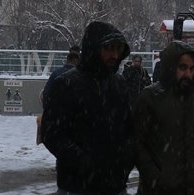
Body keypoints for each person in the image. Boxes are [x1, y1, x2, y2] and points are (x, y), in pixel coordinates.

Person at [42, 21, 134, 195]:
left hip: (115, 186)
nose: (114, 55)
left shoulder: (119, 84)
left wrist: (124, 162)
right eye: (108, 48)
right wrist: (84, 163)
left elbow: (130, 130)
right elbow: (52, 133)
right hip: (77, 186)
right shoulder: (67, 84)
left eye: (117, 49)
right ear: (94, 49)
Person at [132, 41, 194, 195]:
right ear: (171, 67)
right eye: (183, 67)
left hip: (188, 188)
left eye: (192, 69)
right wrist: (156, 178)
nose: (188, 74)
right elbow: (137, 144)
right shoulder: (150, 97)